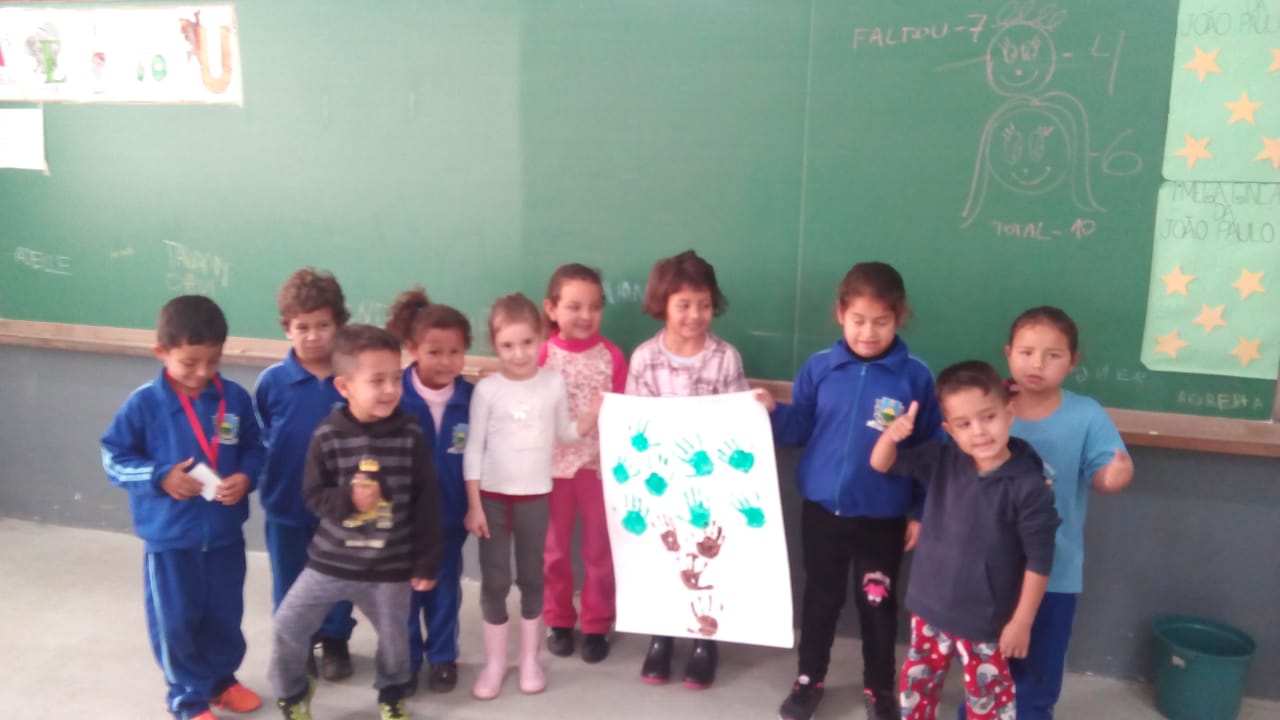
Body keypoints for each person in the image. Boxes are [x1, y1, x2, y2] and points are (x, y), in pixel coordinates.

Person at [763, 261, 943, 720]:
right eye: (859, 320)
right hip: (822, 512)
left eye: (881, 321)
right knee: (820, 599)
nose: (868, 332)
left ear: (899, 317)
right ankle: (809, 679)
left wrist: (922, 513)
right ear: (841, 313)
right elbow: (800, 425)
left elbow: (930, 452)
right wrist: (770, 413)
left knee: (877, 605)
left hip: (883, 516)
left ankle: (880, 688)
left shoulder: (915, 376)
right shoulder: (820, 367)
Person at [956, 307, 1132, 720]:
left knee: (1037, 672)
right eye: (1026, 352)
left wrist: (1115, 474)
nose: (1037, 364)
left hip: (1055, 571)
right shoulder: (986, 408)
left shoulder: (1086, 414)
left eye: (1053, 355)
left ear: (1073, 361)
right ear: (1008, 353)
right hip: (987, 570)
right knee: (984, 669)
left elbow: (1106, 471)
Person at [101, 294, 264, 720]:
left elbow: (256, 448)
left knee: (225, 615)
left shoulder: (234, 399)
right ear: (162, 352)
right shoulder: (143, 404)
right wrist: (159, 476)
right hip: (170, 541)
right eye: (190, 363)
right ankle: (187, 698)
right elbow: (114, 458)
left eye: (213, 361)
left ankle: (221, 682)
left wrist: (246, 477)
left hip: (225, 536)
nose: (202, 373)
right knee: (175, 622)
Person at [269, 324, 443, 720]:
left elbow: (427, 502)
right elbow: (313, 495)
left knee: (396, 640)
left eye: (396, 378)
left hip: (389, 567)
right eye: (377, 381)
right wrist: (349, 500)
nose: (390, 390)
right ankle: (293, 693)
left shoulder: (410, 435)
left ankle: (392, 693)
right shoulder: (328, 435)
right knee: (287, 625)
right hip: (330, 562)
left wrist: (426, 560)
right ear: (344, 386)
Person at [870, 360, 1060, 720]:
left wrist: (1022, 621)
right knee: (916, 694)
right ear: (949, 430)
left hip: (986, 619)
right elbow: (882, 463)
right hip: (929, 607)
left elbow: (1040, 558)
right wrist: (891, 436)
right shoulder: (943, 459)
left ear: (1009, 413)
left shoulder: (1029, 486)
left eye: (988, 417)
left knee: (988, 704)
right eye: (964, 424)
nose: (979, 431)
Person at [464, 293, 597, 700]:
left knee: (532, 578)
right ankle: (495, 663)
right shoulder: (488, 390)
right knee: (495, 580)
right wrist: (474, 504)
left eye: (526, 342)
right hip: (491, 499)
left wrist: (587, 422)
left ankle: (529, 660)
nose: (518, 353)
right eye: (507, 345)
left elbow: (565, 433)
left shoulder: (552, 383)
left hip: (535, 497)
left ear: (541, 337)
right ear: (494, 345)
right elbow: (473, 448)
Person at [626, 249, 748, 689]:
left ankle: (704, 640)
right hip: (660, 485)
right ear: (663, 304)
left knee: (705, 560)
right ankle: (660, 636)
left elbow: (737, 422)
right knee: (663, 558)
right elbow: (634, 427)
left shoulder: (725, 358)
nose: (695, 315)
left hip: (708, 486)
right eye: (684, 305)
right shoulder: (644, 358)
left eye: (704, 304)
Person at [254, 267, 356, 681]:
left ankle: (335, 639)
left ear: (339, 324)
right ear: (286, 328)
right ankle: (295, 645)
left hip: (339, 506)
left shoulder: (351, 379)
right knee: (290, 579)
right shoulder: (272, 382)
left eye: (323, 325)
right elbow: (261, 435)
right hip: (286, 504)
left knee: (339, 575)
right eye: (303, 327)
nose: (313, 336)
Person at [386, 287, 475, 694]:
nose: (445, 361)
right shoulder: (395, 395)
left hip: (449, 517)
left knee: (443, 592)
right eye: (434, 352)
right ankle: (405, 661)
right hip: (402, 520)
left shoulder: (471, 398)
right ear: (412, 349)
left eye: (455, 352)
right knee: (403, 594)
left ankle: (442, 657)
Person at [539, 264, 627, 664]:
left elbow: (624, 412)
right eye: (574, 306)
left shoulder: (612, 356)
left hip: (598, 468)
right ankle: (558, 619)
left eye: (595, 307)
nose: (586, 315)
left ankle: (596, 623)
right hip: (552, 469)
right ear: (552, 309)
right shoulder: (543, 354)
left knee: (599, 551)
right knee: (554, 550)